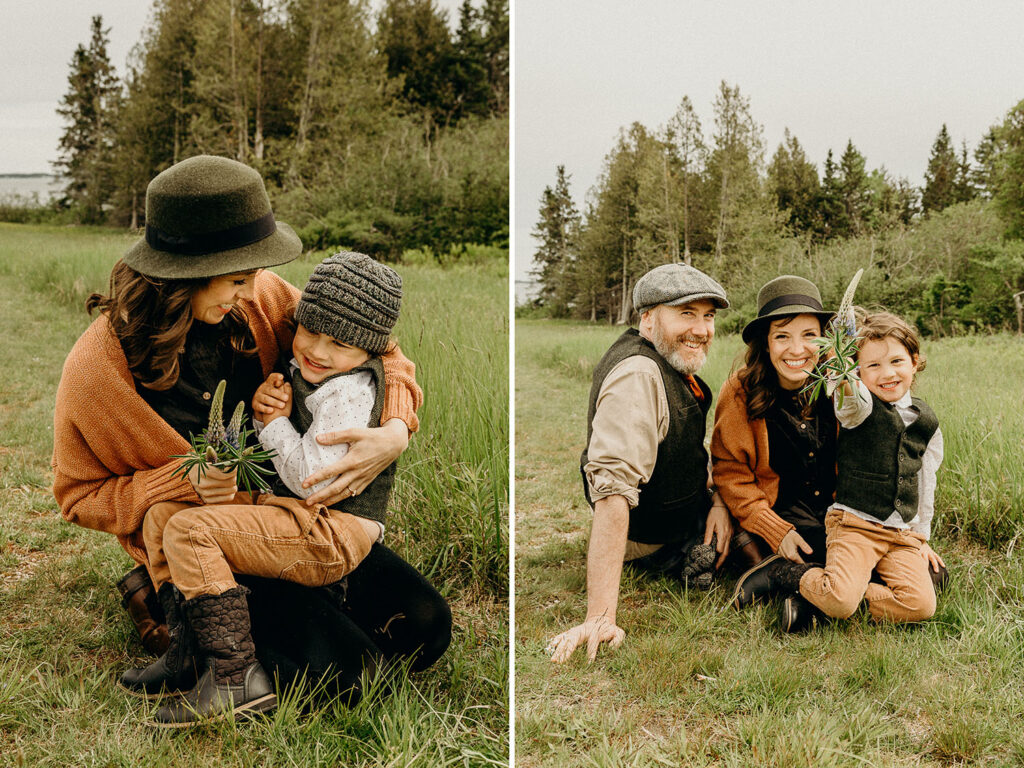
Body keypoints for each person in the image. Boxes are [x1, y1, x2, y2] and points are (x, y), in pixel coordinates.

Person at [53, 155, 450, 720]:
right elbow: (76, 497)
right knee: (348, 675)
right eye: (239, 277)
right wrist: (186, 480)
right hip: (209, 537)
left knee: (426, 627)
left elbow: (376, 351)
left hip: (286, 519)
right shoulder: (98, 374)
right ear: (188, 270)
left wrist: (394, 430)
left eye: (252, 275)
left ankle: (207, 620)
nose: (253, 288)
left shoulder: (256, 297)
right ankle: (182, 621)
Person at [123, 250, 406, 726]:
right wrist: (264, 409)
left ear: (369, 351)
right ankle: (187, 652)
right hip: (296, 514)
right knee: (163, 514)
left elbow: (307, 477)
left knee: (191, 531)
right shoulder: (316, 370)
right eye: (309, 330)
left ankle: (235, 677)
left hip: (328, 529)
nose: (316, 349)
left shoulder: (349, 392)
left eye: (338, 343)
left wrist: (271, 423)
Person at [714, 278, 948, 614]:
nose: (797, 350)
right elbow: (730, 473)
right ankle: (787, 572)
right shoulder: (741, 391)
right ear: (766, 344)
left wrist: (912, 536)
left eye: (809, 335)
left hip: (844, 515)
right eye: (782, 336)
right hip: (784, 518)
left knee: (933, 575)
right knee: (829, 559)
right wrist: (776, 531)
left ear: (828, 340)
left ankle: (809, 603)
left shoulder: (845, 385)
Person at [547, 263, 735, 664]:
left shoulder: (667, 362)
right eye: (686, 314)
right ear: (648, 318)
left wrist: (718, 502)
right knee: (760, 542)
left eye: (708, 316)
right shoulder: (638, 374)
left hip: (686, 511)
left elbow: (687, 450)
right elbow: (613, 489)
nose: (701, 329)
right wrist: (600, 616)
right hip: (654, 536)